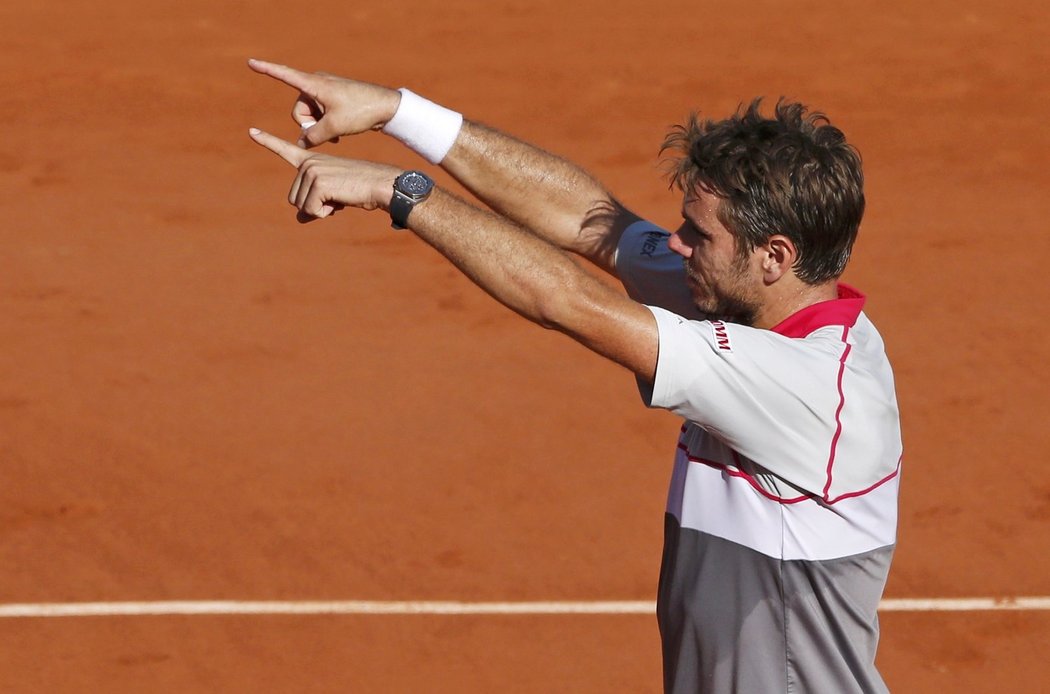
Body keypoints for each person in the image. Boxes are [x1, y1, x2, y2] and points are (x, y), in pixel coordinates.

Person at [247, 58, 903, 694]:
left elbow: (570, 302)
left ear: (774, 256)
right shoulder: (759, 306)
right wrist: (397, 111)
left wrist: (398, 193)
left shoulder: (805, 387)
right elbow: (596, 225)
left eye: (698, 236)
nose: (676, 245)